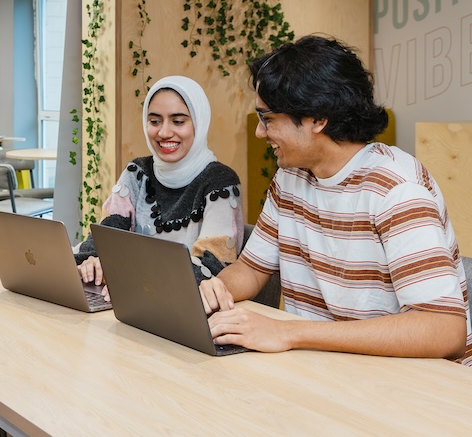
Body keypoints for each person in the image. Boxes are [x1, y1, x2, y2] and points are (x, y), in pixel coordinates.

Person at [200, 35, 472, 365]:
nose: (260, 132)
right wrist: (216, 289)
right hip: (330, 368)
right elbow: (252, 269)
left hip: (412, 386)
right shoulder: (291, 178)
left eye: (268, 118)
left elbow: (445, 330)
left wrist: (289, 332)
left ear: (317, 118)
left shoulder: (397, 190)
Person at [76, 76, 244, 301]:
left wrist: (128, 277)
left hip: (186, 310)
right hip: (129, 300)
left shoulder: (220, 181)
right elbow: (108, 232)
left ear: (199, 123)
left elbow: (213, 265)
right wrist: (93, 261)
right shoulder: (138, 172)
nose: (164, 132)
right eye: (155, 121)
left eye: (178, 121)